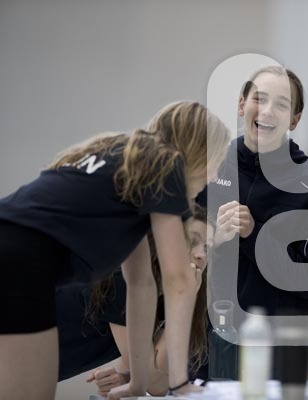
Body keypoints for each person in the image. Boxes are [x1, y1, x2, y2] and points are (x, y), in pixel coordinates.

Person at [0, 101, 230, 399]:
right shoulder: (167, 165)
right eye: (216, 161)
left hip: (20, 255)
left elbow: (141, 284)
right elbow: (178, 280)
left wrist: (137, 382)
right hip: (19, 258)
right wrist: (179, 383)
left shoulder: (127, 167)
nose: (213, 176)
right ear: (198, 151)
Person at [197, 66, 308, 324]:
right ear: (242, 105)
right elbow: (180, 256)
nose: (268, 110)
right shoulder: (210, 164)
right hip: (209, 334)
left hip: (278, 339)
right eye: (259, 99)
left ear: (294, 120)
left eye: (282, 105)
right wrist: (212, 240)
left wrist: (254, 234)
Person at [57, 205, 214, 396]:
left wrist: (127, 377)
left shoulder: (164, 291)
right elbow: (154, 383)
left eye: (207, 247)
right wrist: (185, 301)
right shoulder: (122, 279)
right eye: (192, 241)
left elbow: (158, 381)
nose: (201, 255)